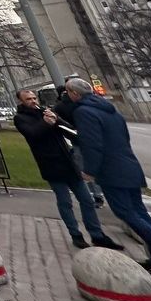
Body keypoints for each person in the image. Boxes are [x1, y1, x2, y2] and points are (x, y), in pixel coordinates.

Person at [66, 77, 151, 278]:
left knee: (126, 213)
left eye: (69, 92)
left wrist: (90, 170)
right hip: (129, 165)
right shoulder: (110, 109)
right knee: (139, 212)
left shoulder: (83, 112)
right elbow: (124, 138)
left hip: (112, 171)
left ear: (74, 94)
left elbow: (92, 144)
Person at [12, 89, 122, 251]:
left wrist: (57, 119)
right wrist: (46, 123)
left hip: (68, 162)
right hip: (51, 165)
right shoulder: (20, 118)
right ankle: (76, 235)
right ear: (21, 102)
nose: (33, 101)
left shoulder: (45, 111)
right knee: (65, 202)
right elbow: (33, 134)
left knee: (87, 200)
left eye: (34, 98)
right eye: (28, 99)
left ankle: (97, 234)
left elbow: (69, 129)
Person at [53, 79, 104, 208]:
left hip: (77, 141)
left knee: (85, 170)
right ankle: (100, 192)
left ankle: (96, 195)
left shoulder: (60, 106)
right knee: (98, 167)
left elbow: (58, 123)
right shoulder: (83, 104)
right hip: (92, 140)